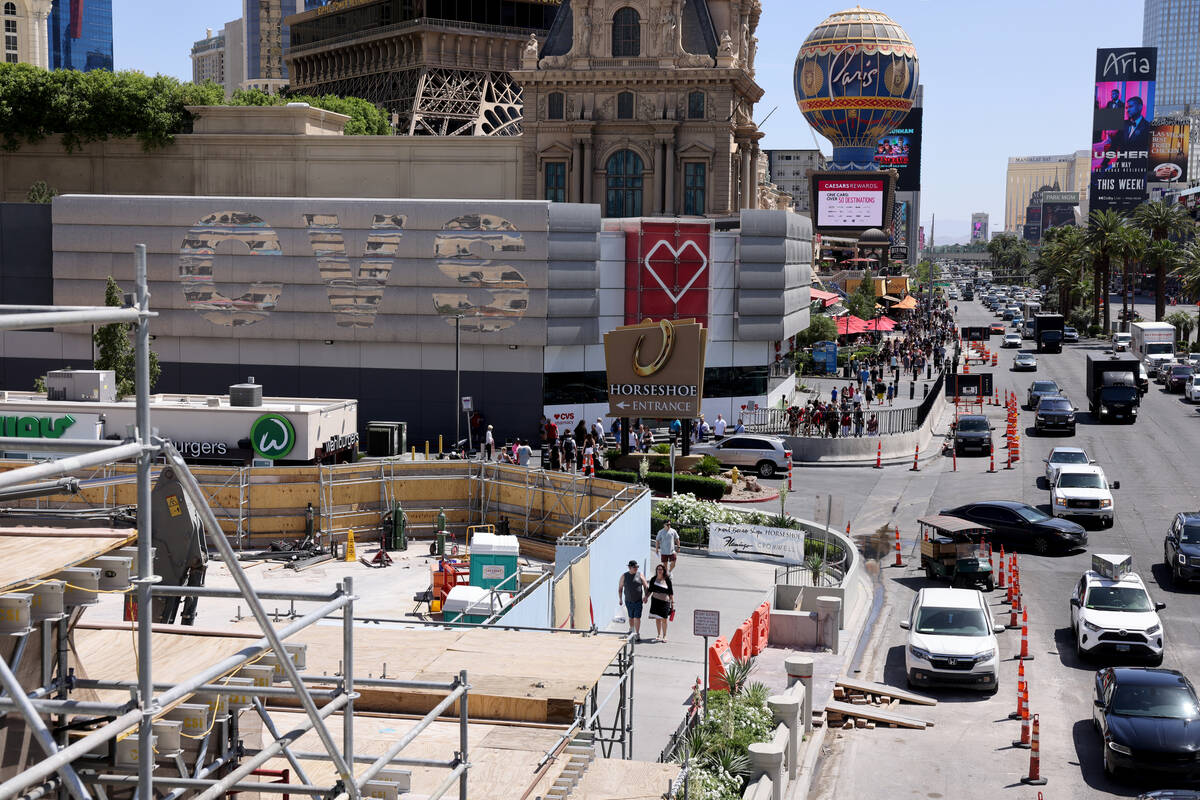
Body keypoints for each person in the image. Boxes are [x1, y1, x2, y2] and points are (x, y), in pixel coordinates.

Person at [618, 560, 650, 641]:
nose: (636, 568)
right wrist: (620, 599)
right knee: (631, 617)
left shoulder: (640, 575)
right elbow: (620, 588)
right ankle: (632, 629)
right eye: (634, 567)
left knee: (637, 617)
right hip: (628, 601)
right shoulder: (624, 576)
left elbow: (646, 586)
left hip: (638, 601)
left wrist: (646, 596)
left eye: (637, 567)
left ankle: (637, 634)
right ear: (629, 567)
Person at [646, 564, 675, 642]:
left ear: (663, 571)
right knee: (657, 619)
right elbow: (650, 590)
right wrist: (646, 597)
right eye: (658, 569)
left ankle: (664, 636)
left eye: (661, 569)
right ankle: (658, 635)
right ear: (656, 570)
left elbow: (671, 592)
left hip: (665, 602)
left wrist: (673, 603)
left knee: (664, 619)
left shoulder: (667, 580)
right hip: (655, 601)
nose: (659, 570)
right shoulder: (653, 579)